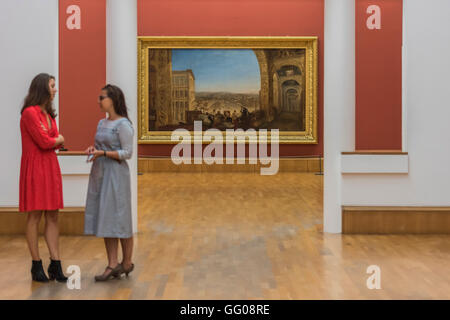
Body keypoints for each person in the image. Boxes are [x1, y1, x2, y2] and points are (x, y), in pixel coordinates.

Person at [19, 73, 68, 282]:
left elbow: (52, 141)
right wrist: (58, 139)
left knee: (53, 215)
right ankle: (36, 264)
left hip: (49, 166)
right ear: (42, 88)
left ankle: (55, 263)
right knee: (35, 216)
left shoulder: (48, 114)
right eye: (52, 86)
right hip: (36, 167)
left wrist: (55, 140)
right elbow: (45, 142)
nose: (55, 89)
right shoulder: (30, 113)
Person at [84, 84, 135, 281]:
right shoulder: (101, 123)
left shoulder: (123, 125)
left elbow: (127, 153)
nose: (98, 101)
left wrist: (104, 153)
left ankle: (127, 262)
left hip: (116, 175)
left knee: (120, 218)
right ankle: (112, 264)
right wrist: (94, 150)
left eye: (101, 97)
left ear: (112, 100)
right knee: (106, 217)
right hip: (101, 173)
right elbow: (98, 146)